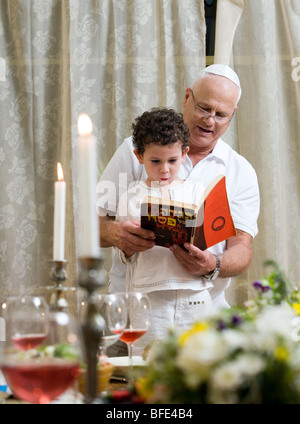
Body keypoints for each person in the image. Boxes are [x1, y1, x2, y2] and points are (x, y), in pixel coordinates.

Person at [96, 64, 260, 316]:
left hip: (204, 313)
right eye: (203, 108)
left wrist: (212, 264)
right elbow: (93, 226)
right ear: (187, 97)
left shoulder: (240, 171)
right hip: (135, 310)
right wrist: (117, 234)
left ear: (233, 114)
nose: (209, 120)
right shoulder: (134, 150)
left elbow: (242, 248)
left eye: (221, 114)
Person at [113, 108, 213, 355]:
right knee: (150, 371)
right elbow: (123, 251)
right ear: (139, 156)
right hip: (150, 299)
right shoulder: (132, 197)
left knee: (198, 368)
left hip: (195, 298)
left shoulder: (198, 192)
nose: (165, 170)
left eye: (172, 160)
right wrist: (130, 243)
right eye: (155, 161)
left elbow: (208, 241)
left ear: (184, 154)